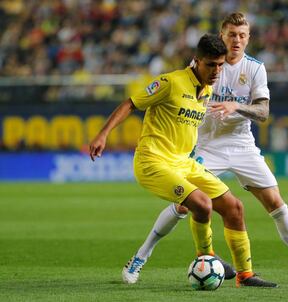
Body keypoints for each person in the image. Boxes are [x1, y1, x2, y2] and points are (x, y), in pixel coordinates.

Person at [125, 13, 288, 286]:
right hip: (207, 145)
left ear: (248, 38)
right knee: (184, 205)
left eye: (242, 35)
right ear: (221, 36)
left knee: (276, 202)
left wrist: (236, 106)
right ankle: (141, 256)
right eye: (231, 35)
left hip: (242, 144)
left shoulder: (255, 68)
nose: (237, 40)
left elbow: (263, 112)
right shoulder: (207, 63)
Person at [89, 34, 277, 288]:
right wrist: (103, 134)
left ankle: (245, 275)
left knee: (234, 208)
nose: (216, 71)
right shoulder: (170, 82)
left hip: (184, 163)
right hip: (153, 162)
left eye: (221, 65)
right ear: (196, 61)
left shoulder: (207, 90)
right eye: (211, 64)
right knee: (201, 203)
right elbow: (130, 104)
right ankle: (207, 258)